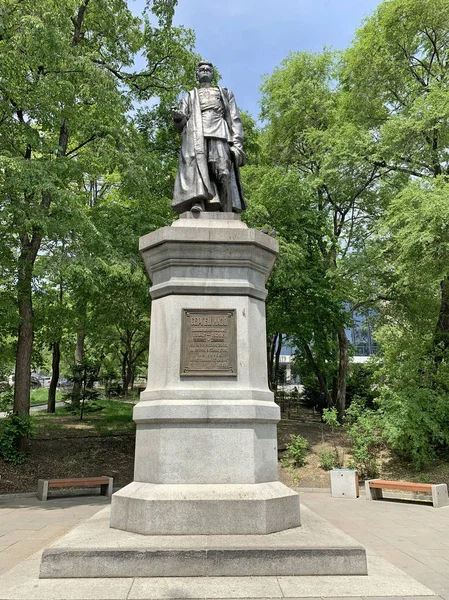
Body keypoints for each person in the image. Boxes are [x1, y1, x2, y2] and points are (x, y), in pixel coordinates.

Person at [172, 61, 246, 214]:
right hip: (196, 136)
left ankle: (227, 212)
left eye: (208, 69)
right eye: (201, 69)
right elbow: (181, 123)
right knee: (198, 171)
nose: (205, 71)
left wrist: (237, 143)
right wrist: (178, 118)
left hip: (220, 133)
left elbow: (235, 119)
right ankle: (199, 202)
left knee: (224, 173)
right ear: (197, 75)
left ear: (213, 74)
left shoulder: (224, 93)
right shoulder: (189, 97)